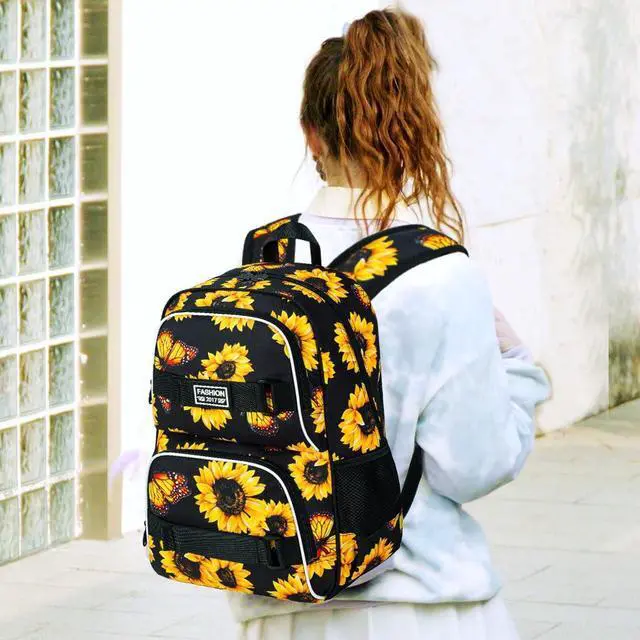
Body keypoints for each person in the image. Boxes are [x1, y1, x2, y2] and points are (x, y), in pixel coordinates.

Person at [230, 8, 550, 639]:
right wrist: (519, 373)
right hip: (415, 611)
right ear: (414, 128)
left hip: (281, 608)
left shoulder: (264, 260)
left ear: (310, 134)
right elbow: (471, 466)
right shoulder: (439, 274)